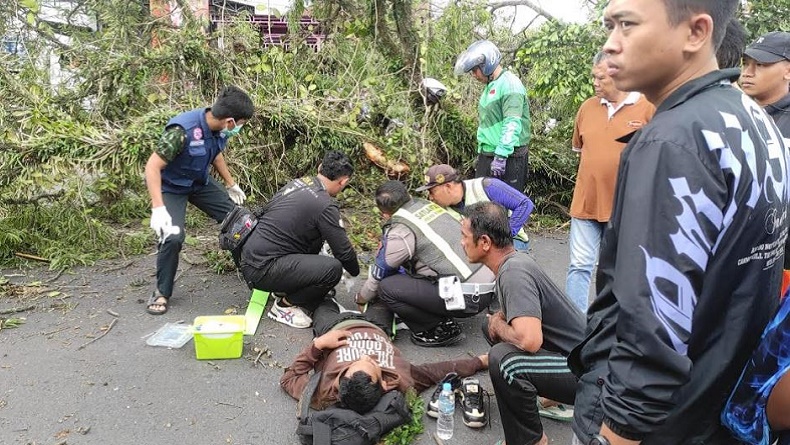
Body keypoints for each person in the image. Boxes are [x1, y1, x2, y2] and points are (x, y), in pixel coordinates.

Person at [570, 1, 789, 444]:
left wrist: (619, 429)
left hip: (653, 418)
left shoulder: (674, 139)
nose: (610, 44)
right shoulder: (752, 118)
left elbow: (653, 320)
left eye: (627, 25)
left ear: (695, 32)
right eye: (610, 25)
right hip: (714, 399)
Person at [460, 201, 585, 445]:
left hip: (586, 373)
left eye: (464, 236)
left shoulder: (513, 272)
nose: (462, 242)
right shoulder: (516, 260)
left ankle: (531, 440)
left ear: (484, 242)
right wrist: (496, 324)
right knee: (491, 327)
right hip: (573, 357)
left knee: (504, 360)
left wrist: (498, 325)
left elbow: (530, 341)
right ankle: (550, 397)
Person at [144, 85, 254, 315]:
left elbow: (215, 154)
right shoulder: (182, 131)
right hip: (172, 187)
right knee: (172, 237)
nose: (240, 128)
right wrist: (158, 207)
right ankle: (162, 292)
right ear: (230, 121)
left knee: (241, 223)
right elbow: (152, 166)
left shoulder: (219, 129)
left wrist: (230, 183)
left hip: (199, 183)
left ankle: (255, 278)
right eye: (241, 123)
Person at [280, 298, 488, 416]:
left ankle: (330, 300)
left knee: (322, 302)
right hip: (376, 327)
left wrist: (318, 345)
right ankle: (368, 303)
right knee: (384, 297)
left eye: (357, 363)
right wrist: (478, 362)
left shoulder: (323, 393)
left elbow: (288, 379)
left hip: (334, 326)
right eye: (371, 363)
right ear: (385, 384)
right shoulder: (400, 380)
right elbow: (435, 371)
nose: (365, 356)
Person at [354, 180, 496, 347]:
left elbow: (381, 271)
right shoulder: (427, 205)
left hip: (468, 298)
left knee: (387, 287)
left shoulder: (401, 229)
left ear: (384, 214)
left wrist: (362, 298)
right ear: (408, 196)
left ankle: (437, 329)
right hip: (488, 285)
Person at [564, 52, 655, 312]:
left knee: (617, 269)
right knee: (579, 266)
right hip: (586, 203)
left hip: (626, 208)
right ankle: (574, 324)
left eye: (600, 77)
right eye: (593, 77)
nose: (594, 82)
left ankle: (608, 324)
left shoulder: (647, 107)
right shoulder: (587, 108)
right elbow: (581, 151)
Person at [239, 151, 360, 329]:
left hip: (252, 258)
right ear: (343, 181)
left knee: (319, 245)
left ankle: (283, 288)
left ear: (320, 167)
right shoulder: (325, 204)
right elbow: (344, 252)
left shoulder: (299, 183)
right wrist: (354, 272)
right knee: (332, 269)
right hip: (263, 269)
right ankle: (283, 306)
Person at [454, 40, 531, 192]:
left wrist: (501, 156)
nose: (473, 75)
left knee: (504, 204)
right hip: (489, 154)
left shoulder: (510, 84)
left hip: (508, 158)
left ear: (486, 64)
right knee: (482, 202)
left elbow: (512, 122)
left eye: (474, 70)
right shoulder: (490, 87)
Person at [417, 163, 534, 251]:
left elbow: (525, 204)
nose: (430, 197)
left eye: (432, 192)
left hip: (512, 242)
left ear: (448, 187)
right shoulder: (440, 210)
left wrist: (506, 236)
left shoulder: (487, 187)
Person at [740, 31, 790, 137]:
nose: (747, 73)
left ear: (788, 72)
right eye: (745, 63)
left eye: (760, 64)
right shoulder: (734, 110)